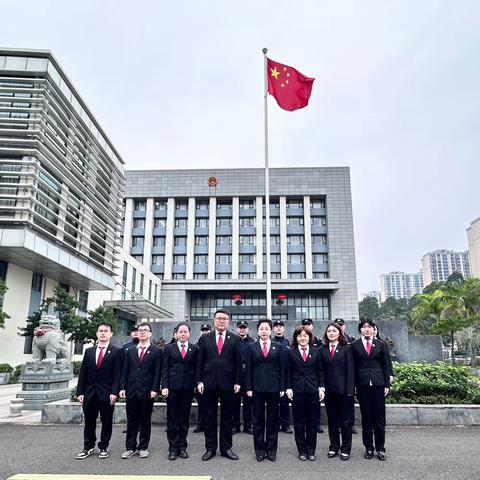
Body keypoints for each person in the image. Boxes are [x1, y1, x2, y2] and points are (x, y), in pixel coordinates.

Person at [196, 309, 242, 461]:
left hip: (228, 383)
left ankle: (226, 448)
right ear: (214, 320)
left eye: (225, 318)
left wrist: (237, 382)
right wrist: (199, 381)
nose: (222, 321)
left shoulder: (235, 339)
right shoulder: (205, 338)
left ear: (228, 321)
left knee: (227, 417)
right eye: (219, 318)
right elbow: (200, 362)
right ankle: (210, 448)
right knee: (209, 417)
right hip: (209, 383)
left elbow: (238, 362)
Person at [75, 322, 122, 460]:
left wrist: (115, 392)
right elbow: (83, 373)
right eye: (100, 331)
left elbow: (117, 374)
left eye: (105, 331)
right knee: (89, 421)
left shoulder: (116, 351)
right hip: (89, 393)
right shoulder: (89, 351)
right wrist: (80, 392)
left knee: (106, 421)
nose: (103, 333)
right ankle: (88, 447)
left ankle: (103, 447)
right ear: (96, 333)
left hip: (107, 394)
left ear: (111, 334)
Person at [119, 322, 162, 459]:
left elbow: (157, 372)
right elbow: (124, 370)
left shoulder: (156, 351)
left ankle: (143, 447)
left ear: (150, 333)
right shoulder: (130, 350)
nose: (142, 332)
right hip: (131, 390)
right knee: (131, 420)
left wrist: (155, 389)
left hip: (147, 391)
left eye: (145, 330)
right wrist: (122, 387)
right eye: (140, 330)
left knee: (145, 420)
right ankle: (130, 447)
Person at [246, 319, 286, 462]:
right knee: (257, 420)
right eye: (261, 329)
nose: (264, 331)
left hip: (274, 388)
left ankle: (271, 450)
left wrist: (282, 387)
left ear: (271, 331)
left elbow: (282, 369)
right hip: (256, 388)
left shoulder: (278, 347)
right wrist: (249, 387)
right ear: (257, 331)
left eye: (266, 329)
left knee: (272, 420)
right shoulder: (251, 347)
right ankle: (259, 450)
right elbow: (248, 368)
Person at [351, 318, 391, 461]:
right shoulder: (354, 346)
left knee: (379, 418)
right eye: (364, 327)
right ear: (360, 329)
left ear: (373, 329)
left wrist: (387, 384)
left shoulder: (381, 344)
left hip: (378, 383)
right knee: (366, 417)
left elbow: (386, 365)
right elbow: (353, 367)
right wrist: (353, 385)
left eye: (369, 327)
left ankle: (380, 448)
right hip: (362, 385)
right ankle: (368, 447)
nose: (367, 329)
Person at [286, 325, 325, 461]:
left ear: (309, 337)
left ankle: (311, 450)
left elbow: (320, 371)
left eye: (305, 335)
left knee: (312, 422)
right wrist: (288, 388)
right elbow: (288, 371)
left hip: (312, 390)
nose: (302, 338)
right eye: (299, 336)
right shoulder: (290, 352)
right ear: (296, 338)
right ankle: (302, 450)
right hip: (297, 391)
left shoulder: (317, 351)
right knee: (298, 422)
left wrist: (321, 387)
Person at [161, 322, 198, 461]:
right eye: (180, 332)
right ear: (176, 334)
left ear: (189, 334)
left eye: (185, 332)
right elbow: (165, 368)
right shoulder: (169, 348)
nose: (183, 334)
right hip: (172, 388)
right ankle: (172, 448)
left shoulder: (194, 349)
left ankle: (182, 447)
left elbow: (196, 368)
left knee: (184, 419)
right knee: (172, 419)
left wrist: (196, 385)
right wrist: (164, 386)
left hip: (188, 389)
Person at [319, 322, 354, 461]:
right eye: (329, 331)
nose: (331, 333)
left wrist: (350, 390)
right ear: (326, 334)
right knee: (332, 421)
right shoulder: (323, 349)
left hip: (344, 391)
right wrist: (321, 387)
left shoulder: (347, 349)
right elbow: (320, 371)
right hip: (329, 391)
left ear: (339, 333)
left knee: (345, 421)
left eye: (334, 331)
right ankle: (334, 447)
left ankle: (346, 449)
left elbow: (350, 371)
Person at [333, 318, 357, 435]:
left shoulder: (350, 340)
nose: (339, 327)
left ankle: (350, 425)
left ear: (344, 326)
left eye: (341, 325)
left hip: (346, 382)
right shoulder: (328, 343)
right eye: (337, 325)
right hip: (333, 384)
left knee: (348, 408)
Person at [232, 320, 255, 434]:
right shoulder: (232, 341)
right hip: (235, 373)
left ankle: (248, 425)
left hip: (248, 373)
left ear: (247, 329)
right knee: (234, 401)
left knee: (248, 402)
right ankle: (235, 426)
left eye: (244, 327)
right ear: (237, 329)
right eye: (240, 327)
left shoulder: (252, 342)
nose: (242, 329)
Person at [301, 318, 323, 433]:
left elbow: (320, 368)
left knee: (315, 406)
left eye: (308, 324)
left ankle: (317, 424)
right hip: (300, 383)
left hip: (312, 383)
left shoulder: (317, 342)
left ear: (312, 326)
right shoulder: (297, 341)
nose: (306, 326)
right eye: (304, 324)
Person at [193, 323, 211, 433]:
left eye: (207, 330)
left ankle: (208, 425)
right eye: (203, 330)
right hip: (200, 377)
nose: (205, 332)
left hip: (209, 377)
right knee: (201, 403)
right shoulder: (196, 345)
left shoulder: (211, 343)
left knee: (209, 403)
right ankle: (200, 424)